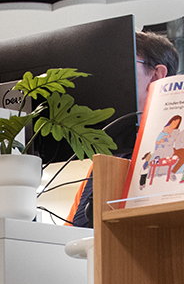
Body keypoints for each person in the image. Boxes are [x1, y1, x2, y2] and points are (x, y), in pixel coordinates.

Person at [69, 30, 178, 227]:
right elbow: (72, 229)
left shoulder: (177, 146)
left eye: (123, 67)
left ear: (156, 76)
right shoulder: (108, 155)